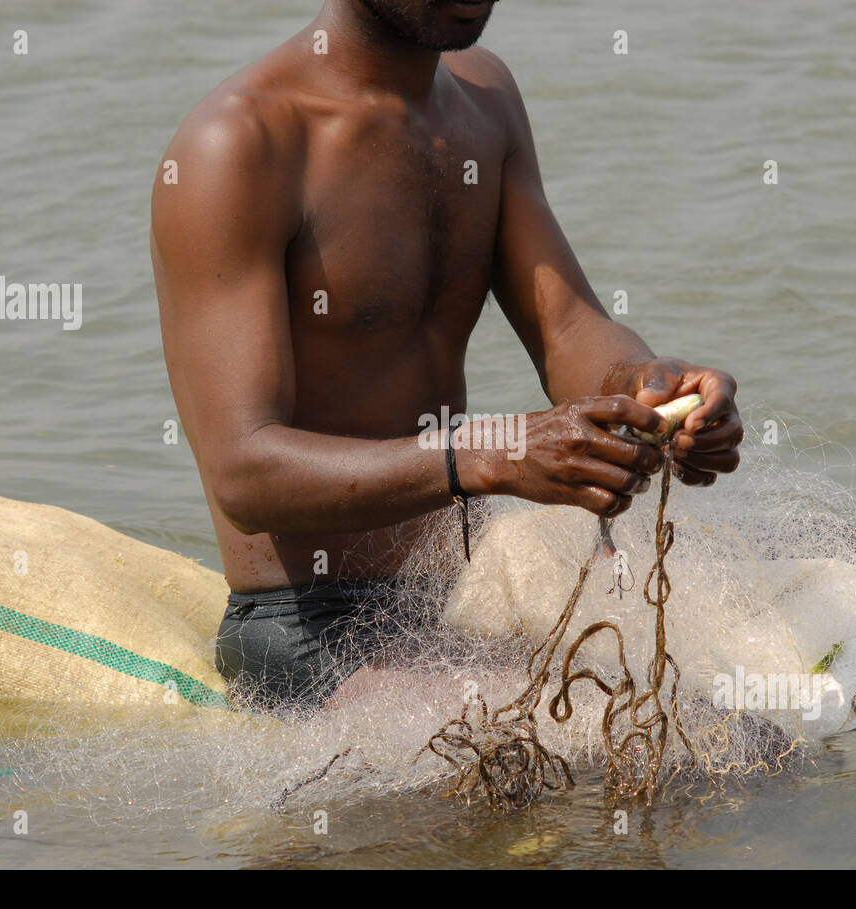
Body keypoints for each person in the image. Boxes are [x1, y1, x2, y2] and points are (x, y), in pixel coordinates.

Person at [149, 0, 743, 711]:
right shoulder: (240, 145)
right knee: (700, 736)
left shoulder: (484, 101)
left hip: (453, 590)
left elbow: (568, 326)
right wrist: (492, 455)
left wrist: (651, 389)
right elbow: (245, 476)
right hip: (310, 627)